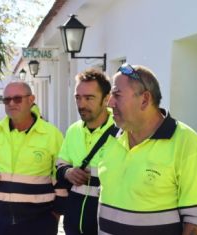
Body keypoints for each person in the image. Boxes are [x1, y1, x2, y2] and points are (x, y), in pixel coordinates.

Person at [97, 63, 197, 235]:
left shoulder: (187, 143)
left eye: (117, 95)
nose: (109, 103)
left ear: (145, 99)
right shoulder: (110, 138)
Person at [0, 81, 63, 235]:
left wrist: (56, 214)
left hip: (40, 225)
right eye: (7, 100)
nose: (11, 103)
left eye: (17, 99)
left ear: (31, 100)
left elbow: (61, 177)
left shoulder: (52, 135)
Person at [54, 68, 117, 235]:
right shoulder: (73, 130)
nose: (81, 104)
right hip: (74, 224)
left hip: (107, 223)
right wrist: (67, 172)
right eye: (78, 97)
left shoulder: (123, 132)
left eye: (89, 98)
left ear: (106, 99)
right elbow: (60, 165)